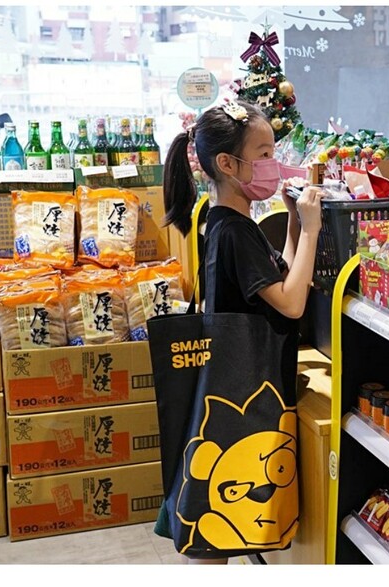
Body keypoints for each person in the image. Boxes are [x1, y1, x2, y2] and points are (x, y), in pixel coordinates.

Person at [158, 99, 323, 563]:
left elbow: (282, 277)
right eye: (265, 153)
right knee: (215, 534)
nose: (274, 164)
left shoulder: (229, 223)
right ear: (228, 164)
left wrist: (292, 221)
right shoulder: (234, 231)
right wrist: (311, 230)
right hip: (241, 391)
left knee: (216, 529)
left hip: (229, 385)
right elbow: (291, 303)